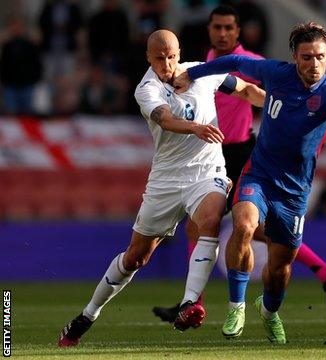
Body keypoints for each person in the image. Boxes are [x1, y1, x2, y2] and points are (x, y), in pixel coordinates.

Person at [174, 22, 326, 343]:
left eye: (320, 57)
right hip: (258, 173)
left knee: (279, 268)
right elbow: (232, 63)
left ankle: (269, 312)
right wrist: (193, 74)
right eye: (306, 57)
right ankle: (236, 307)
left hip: (295, 190)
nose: (313, 64)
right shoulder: (276, 73)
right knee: (243, 226)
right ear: (295, 57)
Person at [57, 29, 265, 347]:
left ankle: (190, 304)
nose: (167, 63)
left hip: (206, 173)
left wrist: (285, 104)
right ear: (148, 58)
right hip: (166, 181)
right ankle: (87, 315)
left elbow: (247, 91)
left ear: (179, 53)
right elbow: (165, 119)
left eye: (171, 56)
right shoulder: (147, 89)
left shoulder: (204, 72)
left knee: (210, 219)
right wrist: (196, 127)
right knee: (136, 258)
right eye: (159, 58)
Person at [151, 5, 326, 325]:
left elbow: (271, 94)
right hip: (211, 152)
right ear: (210, 30)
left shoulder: (254, 63)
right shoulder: (206, 64)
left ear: (238, 31)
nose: (223, 33)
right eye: (217, 27)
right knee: (244, 230)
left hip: (241, 151)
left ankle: (195, 304)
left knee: (214, 227)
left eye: (229, 27)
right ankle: (325, 272)